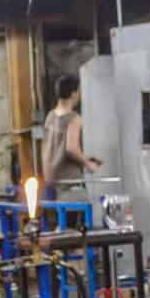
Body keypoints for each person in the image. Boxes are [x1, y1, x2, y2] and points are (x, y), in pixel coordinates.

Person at [42, 75, 100, 203]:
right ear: (73, 94)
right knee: (91, 205)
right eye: (78, 91)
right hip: (69, 182)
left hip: (52, 181)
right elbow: (71, 148)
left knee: (63, 221)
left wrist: (84, 159)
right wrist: (87, 163)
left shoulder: (50, 116)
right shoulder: (73, 118)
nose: (79, 94)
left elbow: (57, 148)